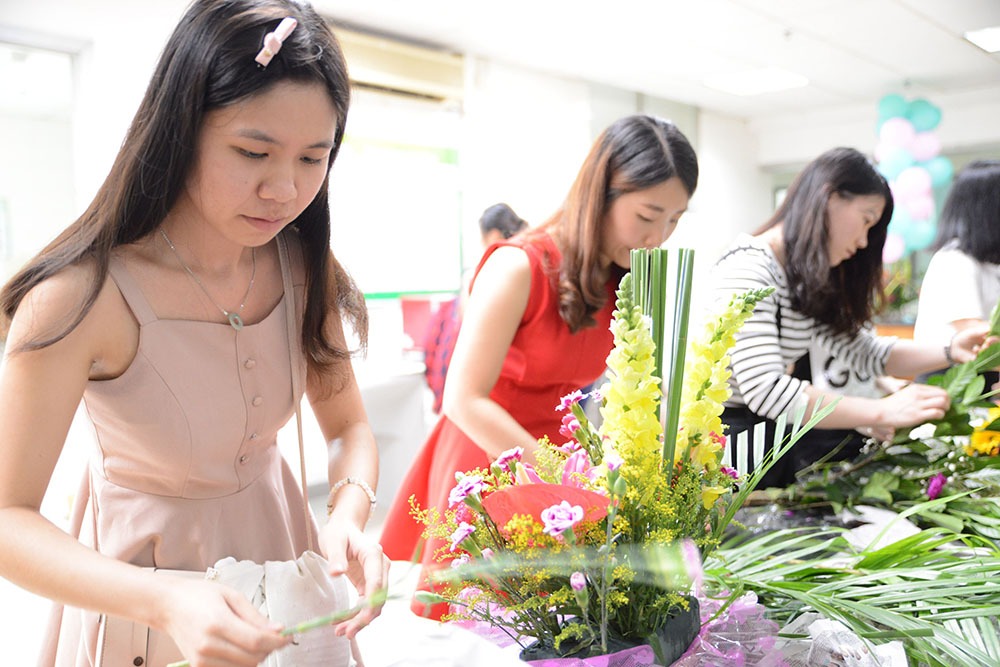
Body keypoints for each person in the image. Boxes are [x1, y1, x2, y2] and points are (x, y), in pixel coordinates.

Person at [0, 1, 388, 665]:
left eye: (312, 158)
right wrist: (163, 600)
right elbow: (9, 518)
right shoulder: (82, 297)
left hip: (284, 569)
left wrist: (349, 516)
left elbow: (348, 427)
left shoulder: (302, 267)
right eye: (253, 151)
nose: (284, 189)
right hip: (143, 597)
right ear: (180, 128)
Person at [380, 114, 699, 617]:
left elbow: (630, 385)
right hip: (490, 456)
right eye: (648, 214)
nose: (658, 236)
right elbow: (464, 398)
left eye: (675, 219)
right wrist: (556, 474)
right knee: (483, 628)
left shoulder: (620, 277)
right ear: (601, 194)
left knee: (560, 625)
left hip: (560, 461)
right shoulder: (518, 266)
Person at [714, 147, 990, 489]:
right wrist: (881, 411)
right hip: (729, 445)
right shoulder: (750, 268)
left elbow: (866, 352)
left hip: (768, 437)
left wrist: (950, 349)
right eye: (865, 219)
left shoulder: (798, 277)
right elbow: (765, 389)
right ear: (829, 197)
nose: (862, 242)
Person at [423, 203, 529, 414]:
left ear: (493, 235)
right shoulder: (534, 256)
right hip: (525, 377)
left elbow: (466, 326)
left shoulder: (487, 270)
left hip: (492, 382)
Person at [913, 160, 1000, 386]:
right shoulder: (954, 261)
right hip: (949, 381)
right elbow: (978, 336)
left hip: (980, 375)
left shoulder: (987, 263)